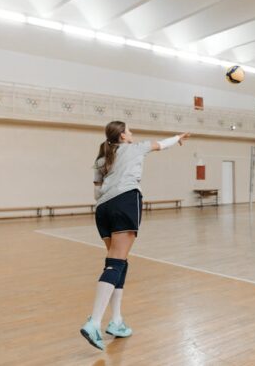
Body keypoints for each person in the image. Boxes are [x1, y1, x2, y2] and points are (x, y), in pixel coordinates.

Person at [81, 121, 190, 350]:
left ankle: (117, 321)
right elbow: (161, 144)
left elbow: (96, 192)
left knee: (118, 262)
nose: (132, 134)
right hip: (125, 202)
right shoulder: (135, 148)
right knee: (115, 263)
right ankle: (94, 322)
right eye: (129, 131)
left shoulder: (100, 160)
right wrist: (177, 137)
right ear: (122, 136)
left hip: (102, 210)